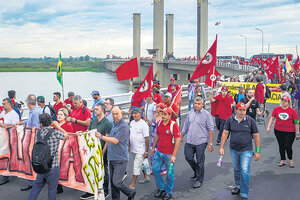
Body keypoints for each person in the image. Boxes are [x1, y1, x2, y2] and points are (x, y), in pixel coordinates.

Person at [219, 102, 261, 200]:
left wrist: (257, 151)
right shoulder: (230, 120)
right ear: (236, 110)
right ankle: (238, 185)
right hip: (234, 149)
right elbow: (225, 133)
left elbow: (256, 136)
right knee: (236, 169)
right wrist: (221, 147)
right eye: (240, 110)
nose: (242, 112)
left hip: (246, 150)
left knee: (245, 171)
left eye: (244, 110)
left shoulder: (251, 121)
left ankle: (244, 193)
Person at [27, 114, 69, 200]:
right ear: (50, 122)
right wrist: (58, 126)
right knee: (52, 189)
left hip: (41, 164)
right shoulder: (55, 132)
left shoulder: (38, 133)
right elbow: (67, 136)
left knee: (37, 187)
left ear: (41, 124)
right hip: (53, 166)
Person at [97, 106, 136, 200]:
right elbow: (108, 135)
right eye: (113, 114)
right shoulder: (113, 123)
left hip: (120, 158)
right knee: (113, 183)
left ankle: (130, 192)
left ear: (121, 114)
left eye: (117, 114)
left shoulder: (124, 126)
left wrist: (101, 137)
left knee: (117, 182)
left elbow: (115, 140)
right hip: (112, 157)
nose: (115, 116)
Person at [80, 103, 112, 199]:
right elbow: (88, 133)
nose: (95, 110)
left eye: (97, 109)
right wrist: (81, 133)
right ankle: (91, 190)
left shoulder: (107, 123)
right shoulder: (93, 122)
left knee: (103, 171)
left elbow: (107, 139)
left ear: (102, 110)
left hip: (102, 151)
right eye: (95, 109)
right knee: (91, 170)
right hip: (92, 151)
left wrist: (102, 152)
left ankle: (105, 191)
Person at [181, 97, 214, 188]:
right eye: (195, 103)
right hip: (190, 141)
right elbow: (185, 126)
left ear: (202, 104)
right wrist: (181, 136)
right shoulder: (190, 113)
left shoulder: (207, 115)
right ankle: (197, 171)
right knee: (188, 157)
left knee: (200, 161)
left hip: (201, 142)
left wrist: (210, 143)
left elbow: (211, 129)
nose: (196, 105)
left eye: (198, 103)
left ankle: (199, 179)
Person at [150, 107, 181, 200]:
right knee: (155, 170)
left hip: (169, 155)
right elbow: (157, 136)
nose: (163, 116)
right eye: (162, 114)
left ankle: (168, 192)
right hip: (159, 152)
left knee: (170, 174)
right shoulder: (159, 123)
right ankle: (161, 188)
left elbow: (177, 141)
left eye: (165, 114)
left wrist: (174, 155)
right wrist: (153, 148)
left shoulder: (173, 125)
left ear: (169, 115)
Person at [16, 94, 42, 191]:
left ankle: (33, 182)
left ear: (27, 102)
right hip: (32, 140)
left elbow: (35, 128)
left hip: (33, 141)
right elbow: (30, 122)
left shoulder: (35, 113)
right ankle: (33, 181)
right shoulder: (34, 111)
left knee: (31, 161)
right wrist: (22, 122)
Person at [266, 96, 300, 168]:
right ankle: (282, 160)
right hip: (278, 131)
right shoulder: (276, 109)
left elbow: (296, 122)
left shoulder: (292, 111)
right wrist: (268, 127)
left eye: (285, 101)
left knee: (288, 146)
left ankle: (290, 159)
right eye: (282, 100)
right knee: (281, 145)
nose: (283, 102)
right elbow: (272, 118)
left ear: (288, 102)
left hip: (290, 132)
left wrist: (297, 133)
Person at [128, 108, 150, 189]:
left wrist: (146, 151)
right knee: (142, 164)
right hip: (134, 148)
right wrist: (129, 146)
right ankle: (146, 176)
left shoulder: (144, 124)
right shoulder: (132, 122)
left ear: (140, 114)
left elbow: (147, 138)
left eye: (136, 113)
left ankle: (133, 184)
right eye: (133, 113)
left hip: (141, 149)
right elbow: (130, 134)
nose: (134, 115)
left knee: (136, 166)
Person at [0, 98, 20, 185]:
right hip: (2, 138)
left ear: (9, 104)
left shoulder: (14, 114)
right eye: (2, 104)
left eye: (4, 104)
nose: (2, 105)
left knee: (7, 156)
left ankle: (5, 176)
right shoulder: (3, 113)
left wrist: (6, 126)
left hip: (9, 138)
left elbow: (16, 127)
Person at [55, 108, 73, 194]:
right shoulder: (55, 124)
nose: (58, 116)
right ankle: (58, 185)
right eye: (58, 114)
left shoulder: (68, 125)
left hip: (64, 149)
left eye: (61, 114)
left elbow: (70, 137)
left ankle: (60, 185)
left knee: (62, 168)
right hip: (56, 149)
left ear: (65, 116)